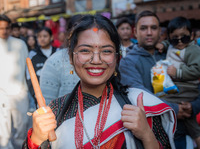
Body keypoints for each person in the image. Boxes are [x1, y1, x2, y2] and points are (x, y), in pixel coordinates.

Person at [22, 14, 176, 149]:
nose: (96, 60)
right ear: (71, 57)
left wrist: (146, 134)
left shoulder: (138, 105)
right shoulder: (56, 110)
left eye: (106, 51)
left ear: (116, 58)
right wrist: (36, 139)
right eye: (85, 50)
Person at [119, 10, 200, 148]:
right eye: (144, 28)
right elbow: (139, 95)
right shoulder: (128, 62)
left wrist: (193, 107)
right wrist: (174, 109)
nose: (149, 32)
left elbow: (194, 82)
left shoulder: (172, 53)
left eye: (154, 28)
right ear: (136, 32)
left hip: (183, 133)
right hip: (153, 138)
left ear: (160, 31)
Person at [158, 16, 200, 148]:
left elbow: (197, 69)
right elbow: (167, 44)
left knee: (192, 125)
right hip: (176, 91)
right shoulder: (172, 45)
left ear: (192, 35)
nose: (180, 41)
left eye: (184, 37)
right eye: (175, 38)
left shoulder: (193, 50)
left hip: (187, 92)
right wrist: (162, 45)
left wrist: (178, 72)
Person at [0, 14, 29, 149]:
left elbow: (27, 68)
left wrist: (26, 89)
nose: (4, 31)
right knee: (3, 133)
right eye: (1, 28)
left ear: (10, 28)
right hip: (1, 94)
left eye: (6, 28)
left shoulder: (20, 44)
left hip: (19, 93)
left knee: (21, 127)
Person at [40, 15, 82, 105]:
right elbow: (46, 103)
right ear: (69, 35)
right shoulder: (55, 62)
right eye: (78, 33)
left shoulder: (99, 60)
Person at [26, 27, 57, 108]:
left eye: (45, 36)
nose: (42, 39)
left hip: (58, 95)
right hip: (40, 97)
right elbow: (29, 76)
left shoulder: (58, 52)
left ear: (51, 37)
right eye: (39, 36)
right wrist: (35, 94)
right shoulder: (33, 54)